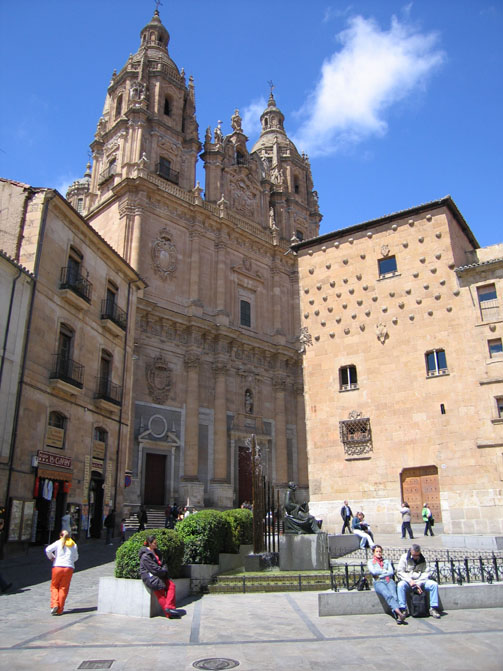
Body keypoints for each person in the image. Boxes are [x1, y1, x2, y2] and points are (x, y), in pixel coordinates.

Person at [139, 535, 182, 619]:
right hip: (151, 577)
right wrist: (163, 571)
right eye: (154, 543)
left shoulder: (157, 552)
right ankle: (169, 614)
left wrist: (164, 570)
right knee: (160, 593)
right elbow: (153, 569)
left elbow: (163, 563)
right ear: (149, 544)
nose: (156, 544)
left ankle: (169, 607)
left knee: (171, 585)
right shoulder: (145, 556)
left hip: (161, 575)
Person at [396, 543, 441, 618]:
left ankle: (433, 608)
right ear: (411, 551)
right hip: (408, 581)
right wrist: (410, 581)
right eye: (414, 555)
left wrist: (419, 583)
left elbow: (426, 573)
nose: (415, 557)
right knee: (400, 585)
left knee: (433, 585)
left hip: (420, 581)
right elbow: (400, 571)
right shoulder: (404, 557)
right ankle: (403, 608)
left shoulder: (423, 559)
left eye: (417, 555)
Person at [367, 545, 407, 624]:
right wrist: (384, 571)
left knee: (394, 595)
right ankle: (399, 613)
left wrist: (381, 572)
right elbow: (373, 572)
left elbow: (391, 572)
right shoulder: (371, 562)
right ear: (373, 553)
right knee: (388, 595)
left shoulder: (386, 561)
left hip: (389, 581)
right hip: (378, 582)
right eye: (377, 552)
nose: (379, 553)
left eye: (380, 551)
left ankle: (397, 616)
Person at [45, 529, 79, 615]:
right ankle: (60, 609)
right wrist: (70, 561)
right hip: (69, 567)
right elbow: (76, 557)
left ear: (60, 536)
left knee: (54, 586)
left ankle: (55, 604)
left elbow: (48, 550)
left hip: (57, 566)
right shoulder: (74, 545)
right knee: (64, 588)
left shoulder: (58, 542)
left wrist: (52, 557)